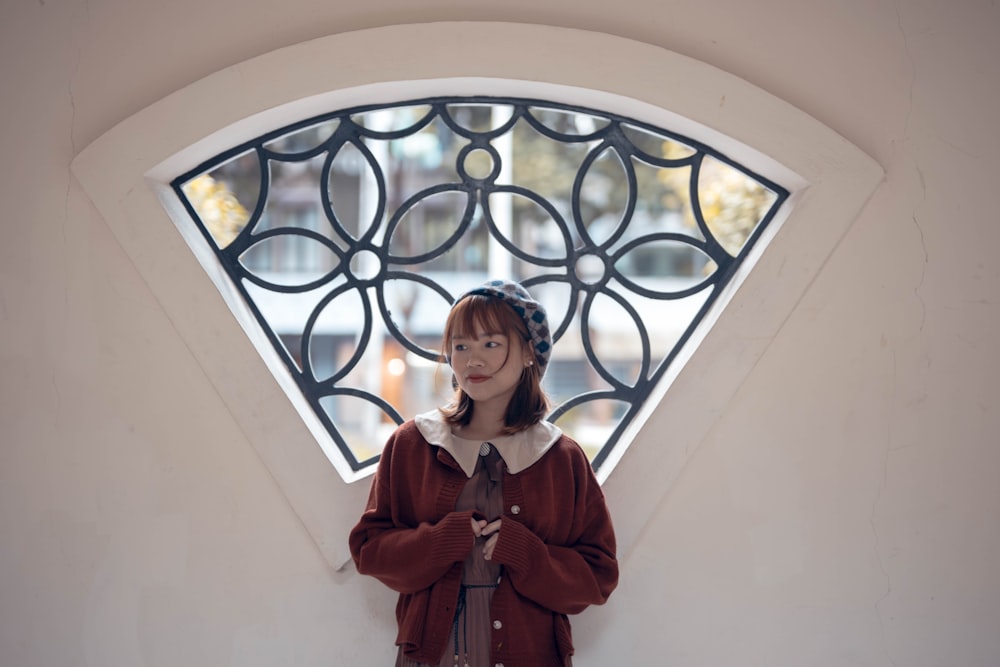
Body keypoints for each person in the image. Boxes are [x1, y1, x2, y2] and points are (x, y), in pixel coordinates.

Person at [349, 279, 619, 667]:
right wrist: (443, 540)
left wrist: (526, 555)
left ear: (529, 352)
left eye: (490, 344)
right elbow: (369, 550)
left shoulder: (561, 458)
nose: (472, 360)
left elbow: (598, 575)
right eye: (461, 346)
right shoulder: (412, 445)